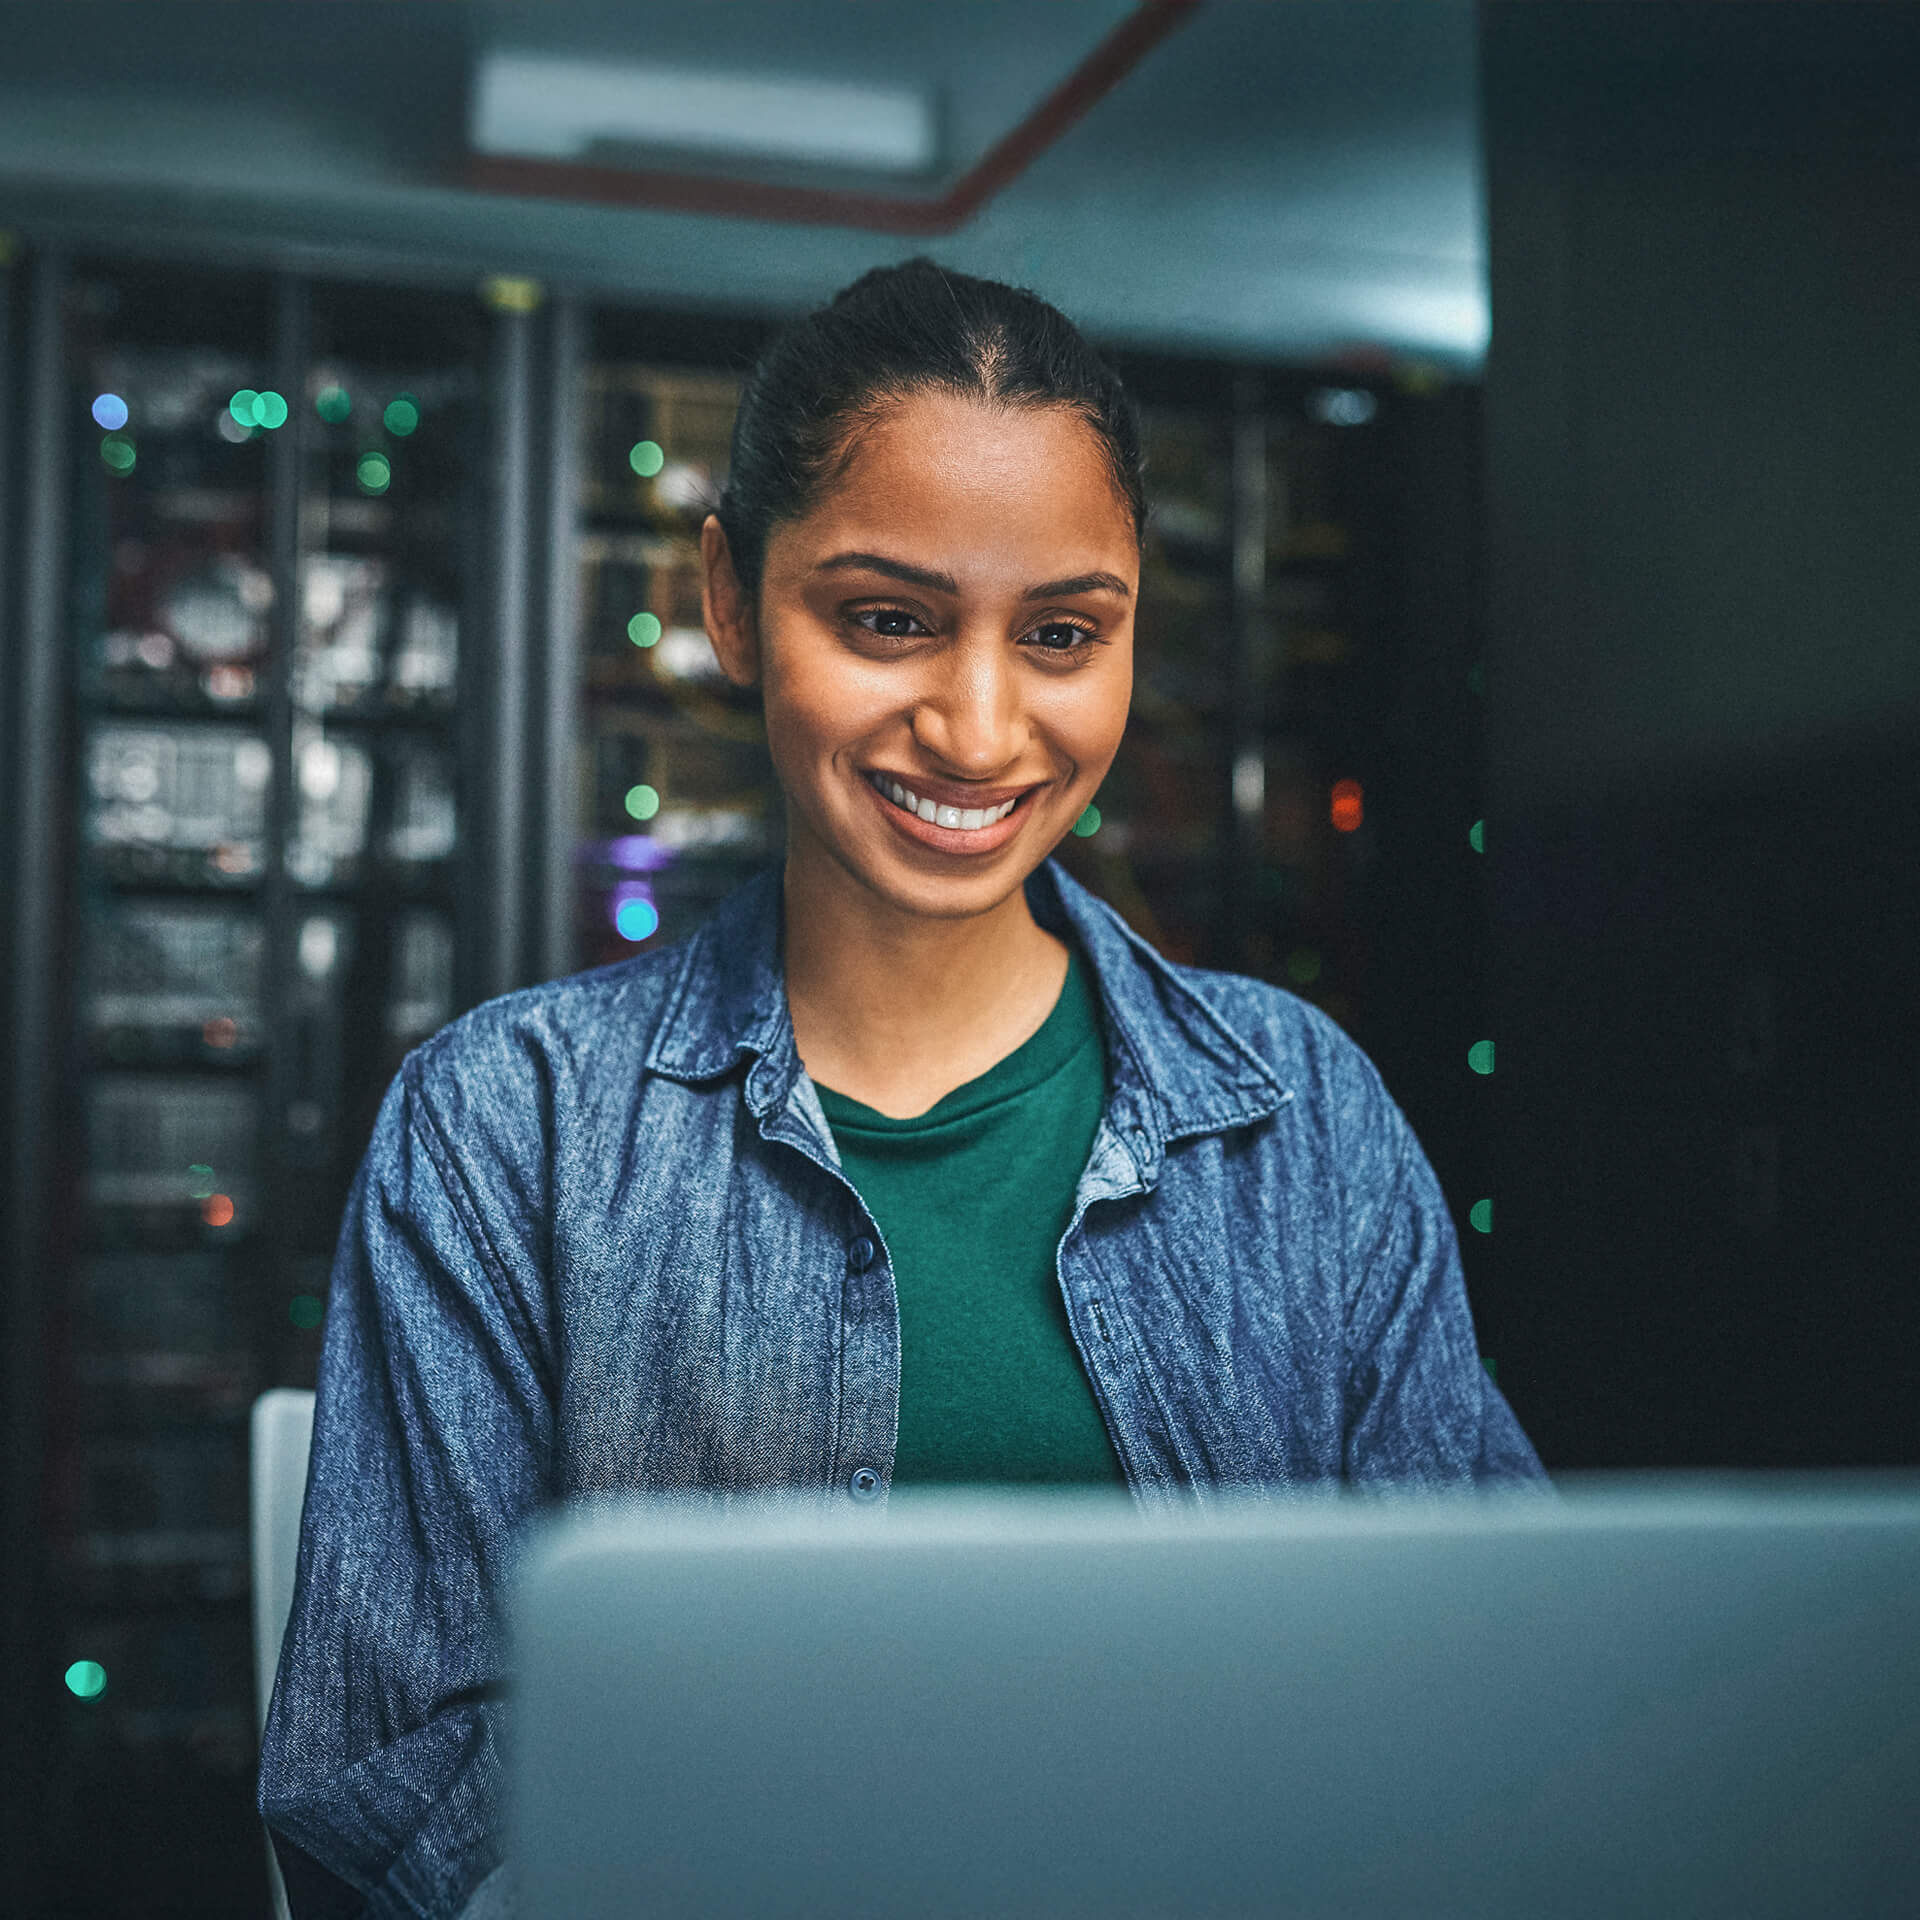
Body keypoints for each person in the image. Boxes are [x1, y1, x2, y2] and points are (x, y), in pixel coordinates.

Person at [258, 257, 1547, 1918]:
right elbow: (392, 1776)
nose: (979, 725)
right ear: (731, 597)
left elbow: (1486, 1681)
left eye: (1066, 633)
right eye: (889, 619)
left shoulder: (1304, 1113)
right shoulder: (505, 1125)